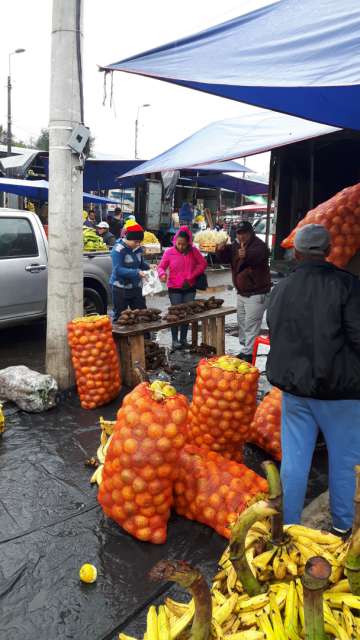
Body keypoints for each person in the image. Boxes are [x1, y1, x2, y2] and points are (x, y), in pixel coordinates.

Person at [266, 224, 360, 535]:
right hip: (340, 393)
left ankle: (289, 525)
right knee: (345, 463)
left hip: (295, 391)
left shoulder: (281, 288)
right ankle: (342, 527)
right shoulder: (347, 285)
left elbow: (275, 330)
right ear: (329, 251)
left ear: (296, 252)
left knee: (294, 460)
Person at [216, 220, 271, 362]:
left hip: (256, 293)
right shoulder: (236, 245)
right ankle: (246, 348)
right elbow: (224, 257)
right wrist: (220, 249)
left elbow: (258, 256)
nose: (241, 237)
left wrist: (246, 255)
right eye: (239, 234)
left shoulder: (259, 245)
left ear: (250, 233)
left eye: (244, 233)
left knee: (251, 324)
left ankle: (248, 354)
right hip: (242, 292)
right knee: (242, 322)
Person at [158, 226, 207, 350]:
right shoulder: (169, 252)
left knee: (186, 314)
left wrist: (191, 276)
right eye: (178, 244)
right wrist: (162, 274)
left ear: (188, 243)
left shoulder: (193, 251)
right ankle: (175, 340)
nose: (181, 247)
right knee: (175, 314)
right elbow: (161, 267)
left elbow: (203, 264)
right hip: (174, 288)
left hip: (189, 287)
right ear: (175, 241)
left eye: (184, 245)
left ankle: (183, 339)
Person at [110, 221, 150, 321]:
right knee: (121, 317)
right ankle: (119, 337)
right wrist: (136, 272)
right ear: (128, 238)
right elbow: (118, 269)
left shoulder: (138, 249)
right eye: (135, 241)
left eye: (139, 242)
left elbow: (140, 264)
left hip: (136, 288)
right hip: (120, 288)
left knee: (142, 315)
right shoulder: (118, 250)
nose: (137, 244)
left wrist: (149, 266)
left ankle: (144, 337)